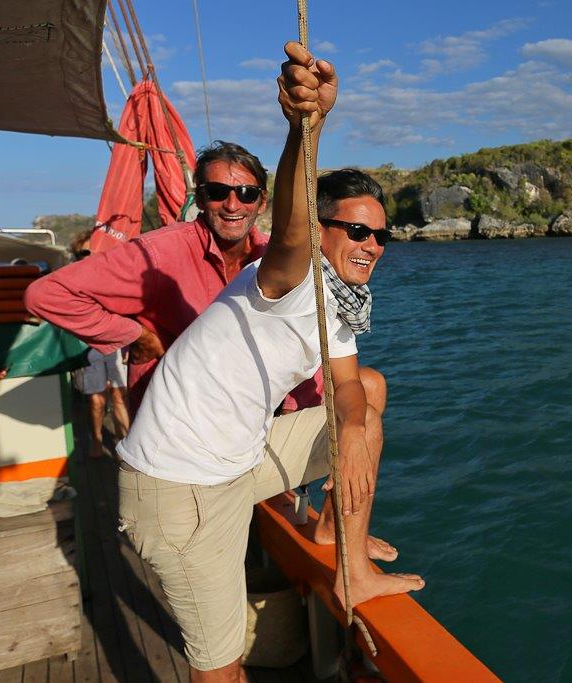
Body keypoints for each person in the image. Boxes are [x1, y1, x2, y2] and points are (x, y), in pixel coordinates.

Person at [115, 43, 423, 681]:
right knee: (222, 669)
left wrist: (358, 432)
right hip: (180, 490)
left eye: (381, 235)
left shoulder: (338, 305)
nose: (371, 245)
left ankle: (347, 559)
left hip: (237, 465)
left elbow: (348, 385)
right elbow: (287, 227)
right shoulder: (286, 272)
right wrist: (305, 129)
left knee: (370, 388)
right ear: (322, 231)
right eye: (355, 231)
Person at [24, 114, 392, 560]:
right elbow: (49, 293)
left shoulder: (272, 260)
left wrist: (352, 426)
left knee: (366, 388)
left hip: (256, 409)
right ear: (201, 197)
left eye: (247, 193)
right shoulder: (160, 254)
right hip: (182, 430)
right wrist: (133, 334)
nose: (233, 204)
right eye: (218, 192)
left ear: (262, 202)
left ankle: (334, 530)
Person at [67, 229, 131, 458]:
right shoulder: (72, 282)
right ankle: (96, 440)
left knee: (119, 395)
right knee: (96, 400)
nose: (90, 255)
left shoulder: (115, 278)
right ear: (77, 255)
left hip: (116, 345)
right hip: (89, 347)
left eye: (95, 250)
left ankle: (123, 443)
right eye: (85, 251)